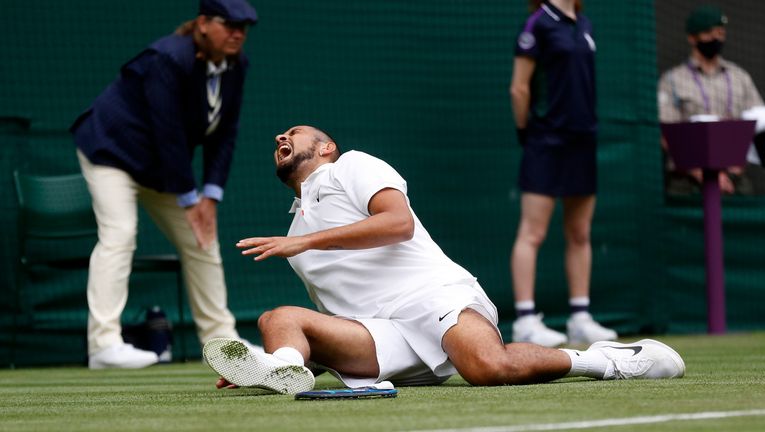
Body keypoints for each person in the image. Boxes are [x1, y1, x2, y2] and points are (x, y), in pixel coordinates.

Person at [201, 125, 685, 394]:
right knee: (278, 317)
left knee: (486, 368)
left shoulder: (353, 165)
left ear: (326, 147)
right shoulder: (293, 233)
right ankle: (281, 369)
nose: (280, 139)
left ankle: (605, 361)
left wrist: (306, 243)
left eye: (293, 133)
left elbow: (398, 224)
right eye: (276, 141)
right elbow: (342, 311)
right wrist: (306, 353)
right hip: (382, 334)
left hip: (435, 297)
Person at [70, 0, 259, 369]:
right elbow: (167, 132)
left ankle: (222, 343)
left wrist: (211, 196)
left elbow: (225, 135)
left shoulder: (238, 65)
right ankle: (103, 345)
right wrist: (192, 200)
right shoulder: (168, 58)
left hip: (158, 167)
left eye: (245, 26)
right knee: (120, 234)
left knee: (202, 238)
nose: (238, 33)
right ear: (203, 23)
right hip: (112, 152)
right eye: (230, 23)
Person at [507, 0, 616, 348]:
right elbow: (519, 88)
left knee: (580, 232)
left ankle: (580, 318)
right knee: (532, 233)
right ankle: (525, 321)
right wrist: (529, 133)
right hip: (546, 142)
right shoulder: (537, 24)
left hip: (583, 142)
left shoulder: (584, 23)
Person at [658, 4, 765, 195]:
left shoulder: (739, 77)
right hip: (688, 180)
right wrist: (701, 173)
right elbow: (666, 134)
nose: (716, 37)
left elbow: (758, 125)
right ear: (692, 38)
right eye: (709, 32)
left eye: (720, 32)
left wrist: (735, 168)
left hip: (735, 178)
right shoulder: (672, 80)